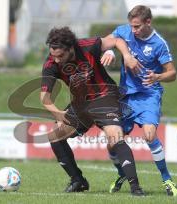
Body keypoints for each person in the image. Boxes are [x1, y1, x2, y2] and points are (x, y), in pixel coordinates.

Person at [40, 26, 145, 196]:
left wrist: (126, 56)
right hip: (81, 104)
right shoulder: (51, 64)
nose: (57, 60)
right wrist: (58, 113)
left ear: (71, 48)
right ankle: (78, 181)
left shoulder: (88, 45)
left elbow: (117, 40)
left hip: (105, 96)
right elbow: (44, 98)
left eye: (60, 56)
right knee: (56, 137)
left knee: (115, 136)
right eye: (53, 55)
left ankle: (136, 188)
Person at [100, 5, 177, 196]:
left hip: (148, 94)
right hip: (126, 95)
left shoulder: (159, 44)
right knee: (112, 141)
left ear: (148, 22)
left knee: (150, 135)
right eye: (131, 26)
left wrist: (158, 77)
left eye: (137, 27)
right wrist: (110, 52)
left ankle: (167, 179)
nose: (133, 30)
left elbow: (173, 73)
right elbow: (111, 41)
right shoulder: (125, 30)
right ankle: (122, 174)